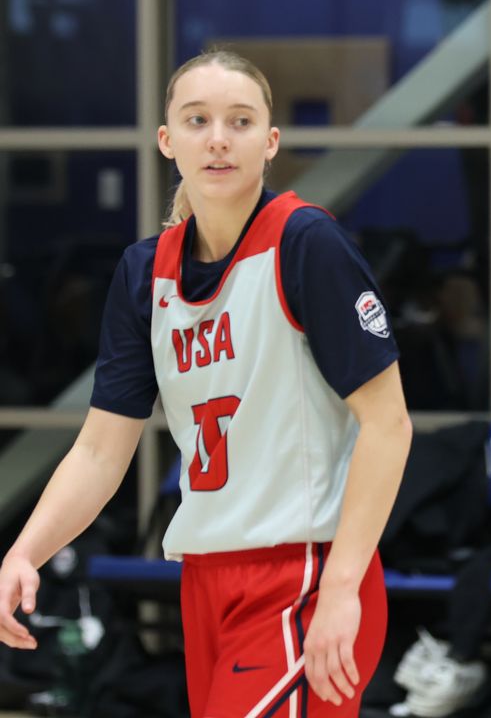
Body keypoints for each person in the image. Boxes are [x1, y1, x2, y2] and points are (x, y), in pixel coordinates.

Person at [0, 50, 413, 717]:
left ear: (270, 142)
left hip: (305, 573)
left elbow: (388, 424)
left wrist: (342, 588)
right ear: (167, 140)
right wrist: (27, 550)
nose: (218, 138)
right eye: (197, 120)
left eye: (240, 121)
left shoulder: (305, 244)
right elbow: (102, 450)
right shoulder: (145, 273)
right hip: (205, 579)